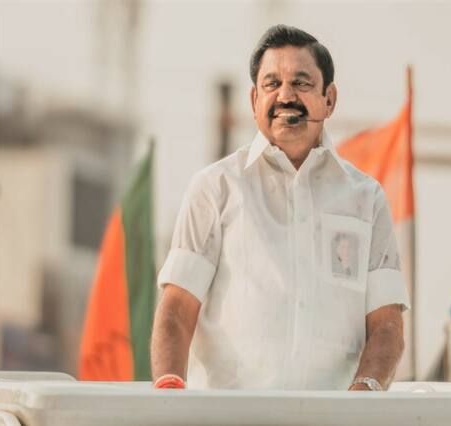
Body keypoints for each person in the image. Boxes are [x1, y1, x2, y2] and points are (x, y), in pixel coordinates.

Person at [151, 25, 410, 391]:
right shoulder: (215, 188)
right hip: (227, 416)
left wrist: (361, 399)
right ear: (254, 99)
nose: (286, 96)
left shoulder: (366, 199)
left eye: (301, 83)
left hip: (334, 417)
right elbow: (177, 310)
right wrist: (169, 396)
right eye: (272, 84)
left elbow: (387, 325)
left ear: (329, 99)